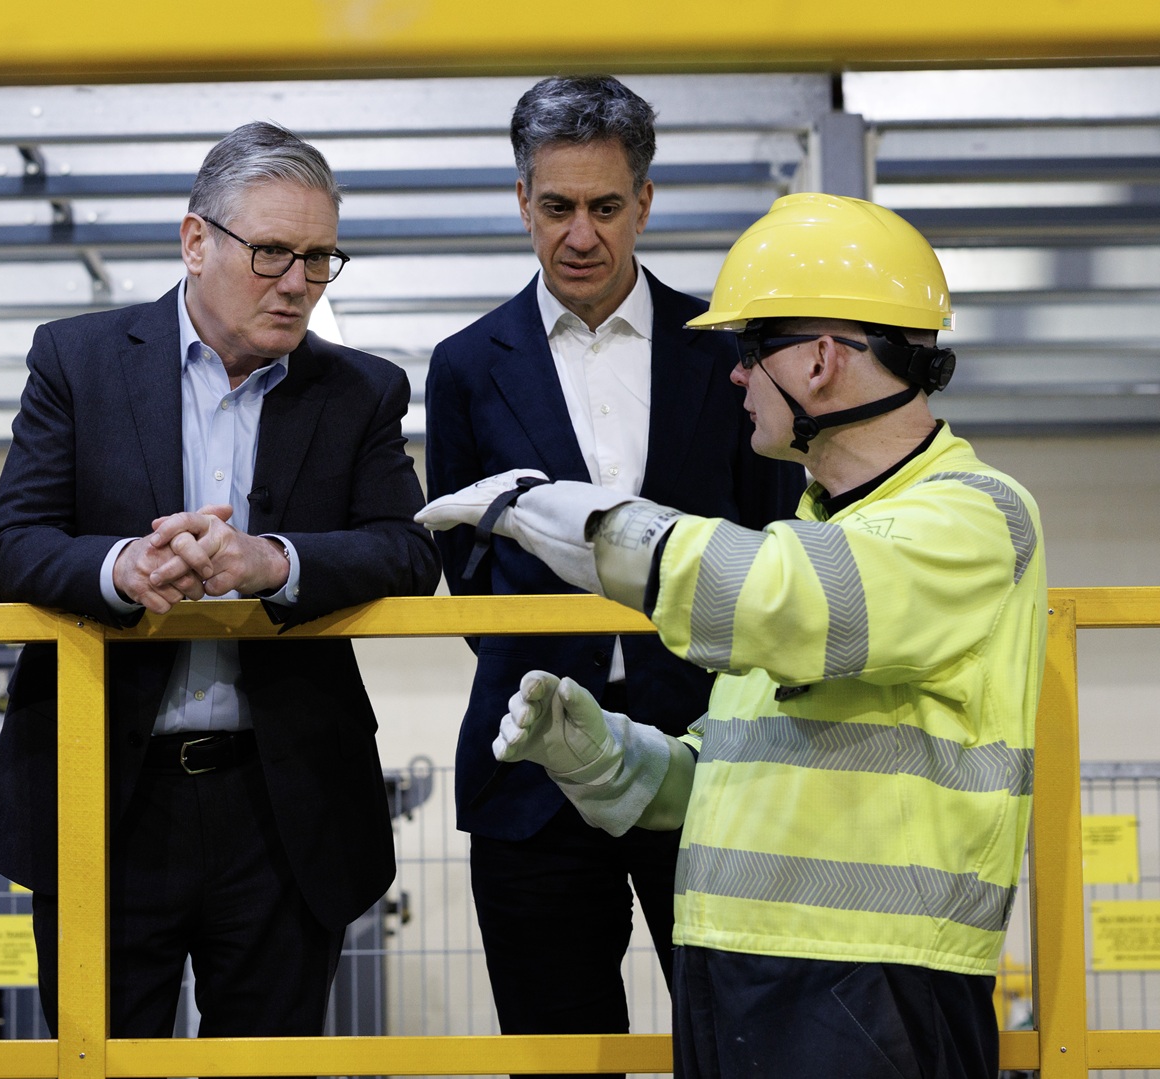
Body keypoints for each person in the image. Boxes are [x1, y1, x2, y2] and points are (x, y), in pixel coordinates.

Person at [420, 192, 1045, 1079]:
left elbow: (784, 600)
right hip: (750, 970)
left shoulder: (974, 517)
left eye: (751, 351)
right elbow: (744, 759)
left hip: (869, 986)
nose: (735, 376)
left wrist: (582, 522)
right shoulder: (813, 531)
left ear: (823, 359)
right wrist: (614, 760)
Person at [0, 121, 439, 1040]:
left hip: (284, 806)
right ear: (195, 240)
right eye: (271, 253)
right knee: (100, 1065)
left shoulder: (361, 391)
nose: (298, 282)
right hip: (104, 794)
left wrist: (274, 562)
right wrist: (121, 567)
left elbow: (409, 552)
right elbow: (11, 546)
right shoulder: (77, 361)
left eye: (319, 258)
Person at [422, 75, 803, 1067]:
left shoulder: (722, 349)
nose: (579, 234)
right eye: (556, 207)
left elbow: (768, 544)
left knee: (739, 1044)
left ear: (644, 199)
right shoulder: (465, 365)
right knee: (552, 1053)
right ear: (521, 200)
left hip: (707, 760)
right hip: (530, 771)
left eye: (602, 206)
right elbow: (467, 568)